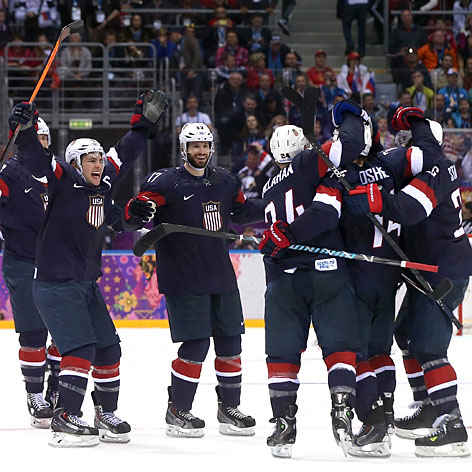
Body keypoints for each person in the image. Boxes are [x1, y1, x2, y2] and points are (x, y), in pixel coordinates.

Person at [8, 89, 168, 447]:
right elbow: (35, 156)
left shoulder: (102, 188)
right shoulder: (62, 180)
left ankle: (104, 413)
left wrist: (141, 128)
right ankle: (64, 417)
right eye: (90, 159)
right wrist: (27, 128)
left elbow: (122, 161)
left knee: (109, 348)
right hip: (54, 284)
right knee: (79, 348)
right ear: (75, 164)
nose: (98, 163)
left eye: (99, 158)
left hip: (84, 284)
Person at [122, 122, 265, 438]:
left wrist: (274, 206)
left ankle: (229, 408)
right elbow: (140, 210)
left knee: (231, 343)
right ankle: (178, 409)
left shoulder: (225, 181)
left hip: (221, 276)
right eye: (194, 146)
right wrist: (137, 210)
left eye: (205, 146)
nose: (200, 151)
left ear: (211, 148)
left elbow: (242, 212)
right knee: (196, 345)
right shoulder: (166, 182)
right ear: (183, 149)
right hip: (184, 277)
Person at [345, 107, 472, 458]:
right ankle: (429, 406)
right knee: (405, 334)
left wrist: (375, 198)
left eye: (407, 139)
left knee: (429, 346)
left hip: (442, 270)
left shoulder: (433, 168)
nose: (399, 145)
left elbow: (408, 211)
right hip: (430, 267)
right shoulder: (432, 161)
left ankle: (452, 422)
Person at [258, 114, 368, 458]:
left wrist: (280, 240)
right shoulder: (311, 161)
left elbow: (273, 241)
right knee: (339, 348)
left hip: (282, 278)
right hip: (326, 273)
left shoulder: (266, 186)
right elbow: (326, 212)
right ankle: (341, 411)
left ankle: (283, 424)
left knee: (282, 354)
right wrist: (350, 118)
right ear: (303, 148)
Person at [0, 117, 60, 429]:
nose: (41, 145)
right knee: (34, 334)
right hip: (23, 261)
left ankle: (57, 386)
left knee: (65, 333)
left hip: (60, 263)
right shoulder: (8, 173)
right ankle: (35, 394)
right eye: (35, 139)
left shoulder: (60, 171)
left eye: (45, 139)